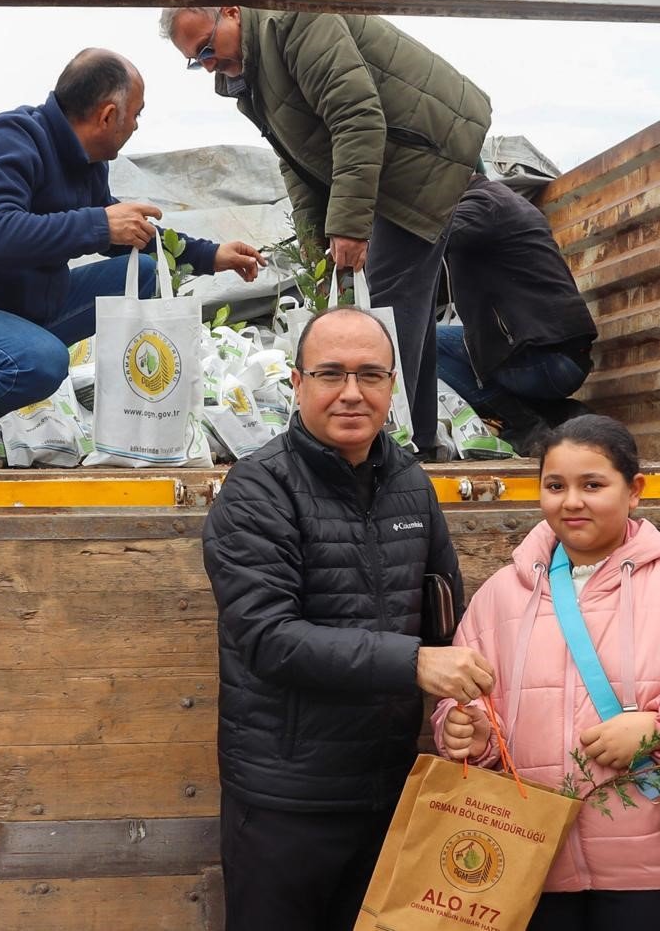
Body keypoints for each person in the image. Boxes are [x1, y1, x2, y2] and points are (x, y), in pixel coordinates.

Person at [202, 306, 496, 931]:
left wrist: (459, 708)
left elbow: (446, 614)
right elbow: (268, 639)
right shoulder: (258, 491)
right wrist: (415, 663)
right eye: (330, 374)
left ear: (393, 387)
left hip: (389, 788)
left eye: (370, 375)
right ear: (297, 384)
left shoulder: (411, 483)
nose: (351, 393)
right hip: (288, 800)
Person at [432, 414, 660, 931]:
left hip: (654, 874)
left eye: (592, 484)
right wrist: (469, 730)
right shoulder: (498, 599)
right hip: (529, 860)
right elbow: (464, 702)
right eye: (556, 486)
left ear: (634, 490)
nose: (571, 501)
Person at [0, 47, 265, 469]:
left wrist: (210, 254)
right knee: (42, 361)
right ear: (108, 115)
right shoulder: (8, 141)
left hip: (13, 310)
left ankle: (127, 412)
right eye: (136, 115)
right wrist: (98, 224)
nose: (137, 126)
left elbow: (119, 231)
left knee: (143, 272)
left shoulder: (85, 163)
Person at [159, 5, 492, 456]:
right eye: (197, 62)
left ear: (232, 13)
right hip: (392, 159)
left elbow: (356, 116)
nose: (210, 65)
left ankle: (383, 456)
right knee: (407, 309)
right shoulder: (251, 80)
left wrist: (350, 225)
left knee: (389, 302)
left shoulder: (295, 22)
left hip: (423, 149)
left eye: (207, 48)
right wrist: (316, 241)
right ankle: (419, 444)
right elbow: (298, 160)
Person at [437, 174, 597, 451]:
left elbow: (426, 239)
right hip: (560, 353)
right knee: (447, 338)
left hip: (543, 358)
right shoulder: (504, 201)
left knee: (420, 343)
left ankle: (524, 425)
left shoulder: (483, 204)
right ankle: (558, 415)